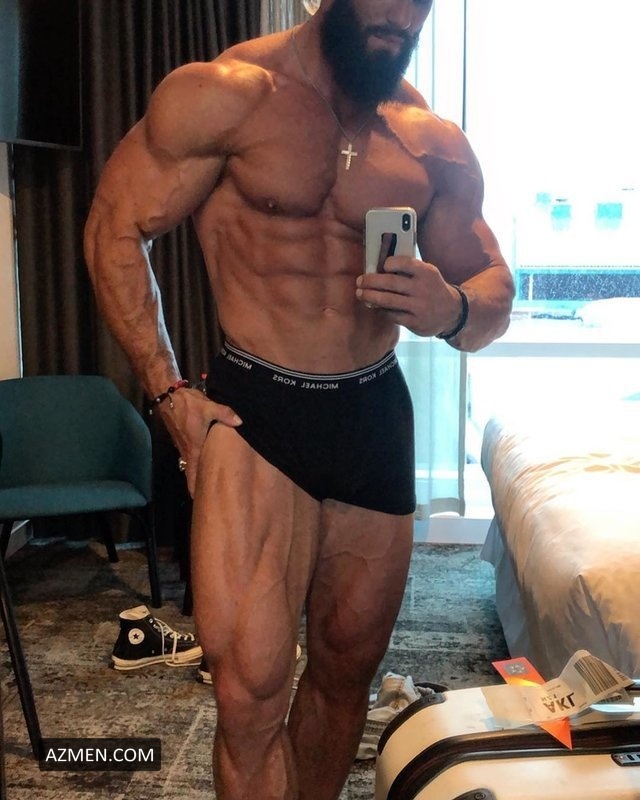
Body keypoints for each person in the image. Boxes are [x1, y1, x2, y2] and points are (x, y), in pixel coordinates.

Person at [84, 0, 514, 797]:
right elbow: (113, 226)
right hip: (258, 414)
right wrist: (170, 393)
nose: (404, 17)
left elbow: (495, 291)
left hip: (373, 415)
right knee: (249, 694)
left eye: (420, 5)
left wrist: (453, 308)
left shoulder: (429, 143)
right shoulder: (225, 95)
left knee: (347, 677)